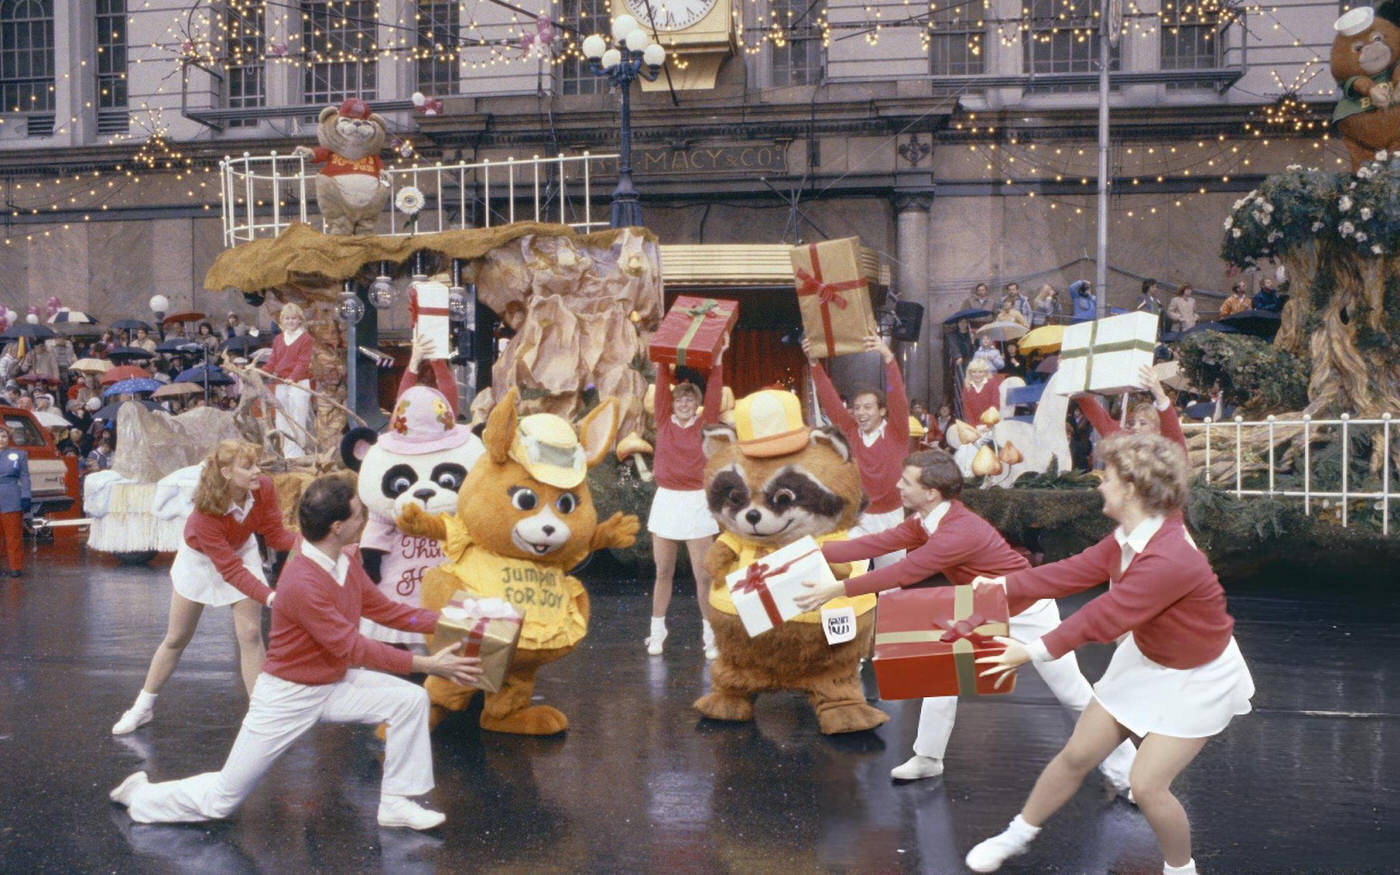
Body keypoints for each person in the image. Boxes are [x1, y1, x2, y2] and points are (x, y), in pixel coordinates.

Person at [110, 475, 483, 831]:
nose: (364, 518)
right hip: (287, 696)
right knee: (222, 801)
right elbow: (351, 646)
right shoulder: (301, 582)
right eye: (358, 513)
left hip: (333, 683)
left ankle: (397, 804)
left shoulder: (344, 559)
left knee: (410, 700)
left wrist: (450, 619)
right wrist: (428, 664)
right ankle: (140, 796)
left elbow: (384, 610)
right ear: (337, 526)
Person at [965, 433, 1253, 874]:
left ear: (1131, 490)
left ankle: (1181, 869)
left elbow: (1106, 615)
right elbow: (1072, 572)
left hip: (1198, 677)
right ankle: (1018, 834)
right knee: (1078, 754)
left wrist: (1032, 650)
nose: (1099, 485)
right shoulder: (1129, 536)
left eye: (1107, 478)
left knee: (1148, 785)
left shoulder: (1172, 557)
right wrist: (1002, 585)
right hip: (1149, 660)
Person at [793, 449, 1135, 788]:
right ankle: (928, 759)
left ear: (930, 493)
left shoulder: (958, 531)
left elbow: (904, 571)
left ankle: (1128, 774)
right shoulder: (928, 520)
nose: (898, 486)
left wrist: (835, 589)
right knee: (941, 677)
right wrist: (808, 551)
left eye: (906, 481)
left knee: (1072, 694)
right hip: (981, 607)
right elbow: (878, 543)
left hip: (1026, 609)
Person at [111, 440, 300, 735]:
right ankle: (142, 707)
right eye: (247, 467)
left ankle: (261, 717)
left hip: (241, 552)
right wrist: (272, 597)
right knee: (176, 638)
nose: (257, 472)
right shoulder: (205, 515)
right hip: (199, 561)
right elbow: (230, 571)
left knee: (250, 633)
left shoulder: (263, 488)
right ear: (226, 472)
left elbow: (275, 535)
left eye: (256, 465)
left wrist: (313, 544)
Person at [804, 333, 911, 568]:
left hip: (891, 519)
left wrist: (888, 357)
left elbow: (898, 397)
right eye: (857, 408)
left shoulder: (897, 432)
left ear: (882, 411)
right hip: (859, 518)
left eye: (868, 407)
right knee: (848, 575)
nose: (861, 413)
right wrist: (814, 364)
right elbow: (830, 400)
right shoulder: (850, 431)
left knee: (891, 585)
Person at [645, 344, 726, 658]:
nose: (683, 403)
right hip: (667, 501)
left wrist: (716, 362)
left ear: (697, 404)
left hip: (696, 502)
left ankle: (710, 636)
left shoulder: (705, 427)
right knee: (662, 572)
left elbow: (715, 399)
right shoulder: (663, 421)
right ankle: (656, 631)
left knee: (703, 575)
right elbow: (660, 392)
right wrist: (664, 360)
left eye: (690, 399)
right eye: (679, 398)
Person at [1073, 364, 1185, 450]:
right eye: (1132, 423)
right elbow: (1101, 420)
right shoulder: (1125, 447)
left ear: (1158, 430)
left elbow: (1175, 437)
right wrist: (1075, 382)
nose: (1135, 427)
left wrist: (1159, 392)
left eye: (1143, 423)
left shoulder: (1167, 454)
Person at [263, 302, 313, 456]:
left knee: (297, 420)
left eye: (293, 318)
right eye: (287, 318)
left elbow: (303, 362)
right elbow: (273, 360)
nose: (290, 321)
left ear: (299, 320)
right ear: (282, 321)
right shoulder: (278, 339)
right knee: (282, 420)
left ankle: (297, 455)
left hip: (299, 383)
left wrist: (293, 378)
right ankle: (286, 454)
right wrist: (261, 372)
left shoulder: (305, 338)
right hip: (281, 383)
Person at [0, 427, 32, 577]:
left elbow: (25, 476)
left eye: (4, 436)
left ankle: (15, 566)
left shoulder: (19, 454)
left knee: (13, 535)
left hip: (11, 495)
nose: (2, 439)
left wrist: (26, 495)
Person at [960, 358, 1004, 425]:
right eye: (974, 372)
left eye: (980, 372)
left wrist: (986, 424)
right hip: (975, 424)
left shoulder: (991, 383)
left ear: (985, 372)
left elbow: (995, 405)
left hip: (991, 422)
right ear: (970, 373)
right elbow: (967, 410)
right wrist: (974, 426)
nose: (977, 375)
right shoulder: (967, 387)